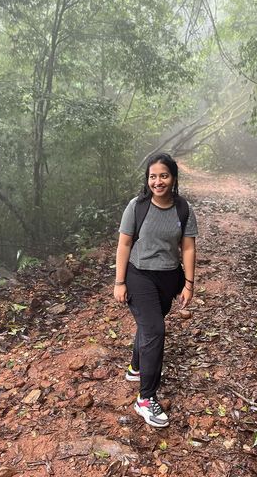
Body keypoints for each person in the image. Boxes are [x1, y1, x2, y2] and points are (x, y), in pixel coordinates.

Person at [114, 153, 198, 428]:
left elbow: (187, 247)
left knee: (150, 325)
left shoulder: (183, 209)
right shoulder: (137, 206)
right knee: (155, 330)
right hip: (139, 276)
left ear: (173, 178)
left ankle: (135, 368)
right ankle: (145, 399)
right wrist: (119, 282)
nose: (157, 181)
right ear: (147, 179)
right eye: (152, 176)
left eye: (163, 176)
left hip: (169, 278)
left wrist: (189, 283)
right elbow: (124, 244)